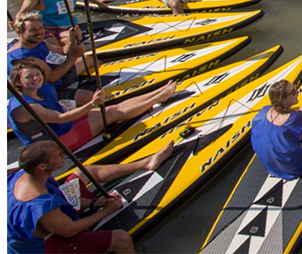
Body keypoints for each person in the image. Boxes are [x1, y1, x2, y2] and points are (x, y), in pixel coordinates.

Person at [8, 140, 174, 253]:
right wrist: (106, 211)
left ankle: (146, 163)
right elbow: (69, 230)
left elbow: (60, 197)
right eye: (58, 155)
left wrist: (92, 203)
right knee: (122, 239)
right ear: (42, 166)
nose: (63, 155)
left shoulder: (24, 175)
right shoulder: (39, 205)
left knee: (84, 171)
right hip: (46, 245)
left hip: (54, 221)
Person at [8, 61, 177, 150]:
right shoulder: (25, 106)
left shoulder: (39, 89)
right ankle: (159, 97)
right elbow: (61, 117)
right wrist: (91, 104)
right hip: (55, 143)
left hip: (61, 126)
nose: (35, 79)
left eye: (37, 74)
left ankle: (157, 92)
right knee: (111, 114)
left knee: (111, 108)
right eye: (29, 77)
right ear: (18, 82)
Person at [8, 13, 92, 102]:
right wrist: (73, 56)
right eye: (33, 30)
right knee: (89, 96)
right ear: (20, 33)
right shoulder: (24, 57)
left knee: (88, 59)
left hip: (55, 77)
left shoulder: (36, 42)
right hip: (43, 92)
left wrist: (72, 40)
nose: (39, 32)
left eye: (41, 28)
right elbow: (52, 77)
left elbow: (63, 51)